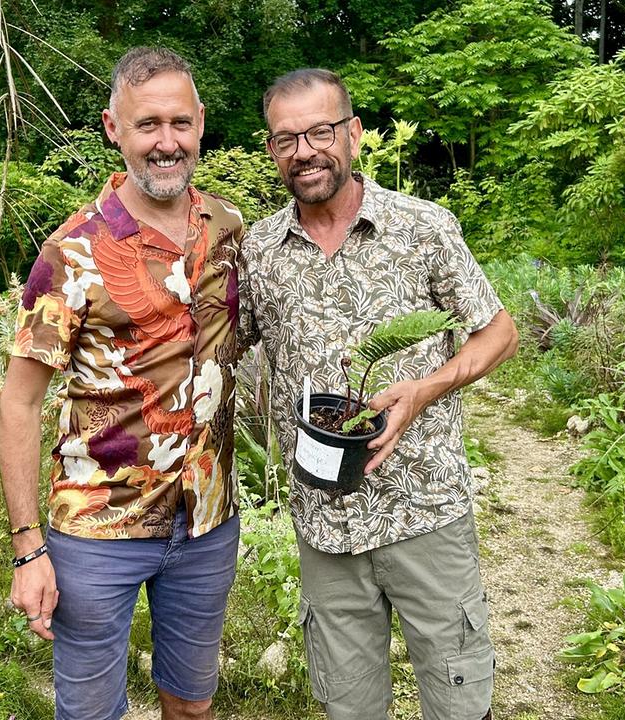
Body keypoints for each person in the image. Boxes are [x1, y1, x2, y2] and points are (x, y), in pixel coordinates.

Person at [238, 68, 519, 720]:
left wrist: (427, 388)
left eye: (320, 132)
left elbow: (499, 333)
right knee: (349, 705)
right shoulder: (260, 251)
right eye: (285, 139)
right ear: (272, 150)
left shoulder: (422, 228)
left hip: (424, 509)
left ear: (354, 134)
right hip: (324, 521)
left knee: (458, 698)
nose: (304, 151)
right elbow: (219, 345)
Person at [0, 46, 245, 720]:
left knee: (191, 704)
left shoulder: (228, 229)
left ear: (200, 122)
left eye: (180, 123)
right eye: (147, 125)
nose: (167, 142)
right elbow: (19, 400)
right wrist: (27, 549)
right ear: (113, 128)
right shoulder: (71, 252)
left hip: (207, 520)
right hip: (96, 529)